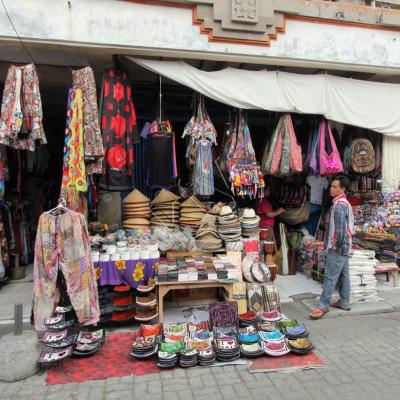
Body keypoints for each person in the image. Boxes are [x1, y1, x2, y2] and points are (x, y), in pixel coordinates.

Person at [309, 175, 354, 319]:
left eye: (335, 187)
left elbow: (340, 229)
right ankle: (344, 302)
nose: (331, 189)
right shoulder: (344, 203)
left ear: (343, 189)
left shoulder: (339, 205)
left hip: (338, 247)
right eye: (331, 186)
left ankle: (323, 305)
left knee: (330, 277)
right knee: (344, 275)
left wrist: (337, 245)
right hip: (345, 246)